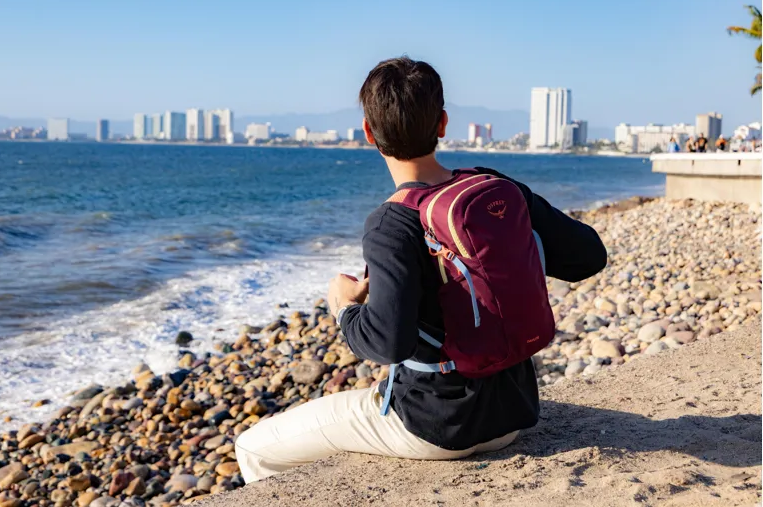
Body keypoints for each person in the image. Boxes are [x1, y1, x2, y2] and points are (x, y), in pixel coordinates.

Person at [234, 57, 607, 483]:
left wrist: (343, 307)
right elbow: (588, 256)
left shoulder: (391, 222)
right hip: (514, 412)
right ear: (443, 123)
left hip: (437, 425)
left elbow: (387, 343)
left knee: (253, 447)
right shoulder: (491, 185)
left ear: (369, 133)